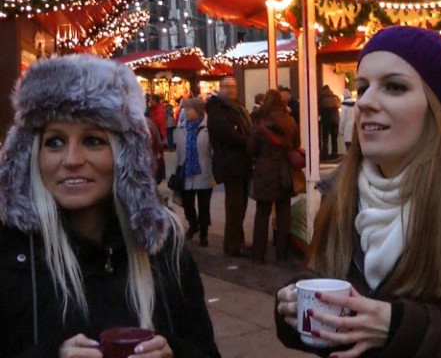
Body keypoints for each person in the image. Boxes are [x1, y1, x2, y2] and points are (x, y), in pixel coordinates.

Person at [275, 26, 441, 357]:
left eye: (394, 87)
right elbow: (328, 281)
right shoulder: (340, 193)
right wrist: (294, 302)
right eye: (363, 88)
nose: (365, 102)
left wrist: (400, 328)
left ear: (437, 108)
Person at [0, 54, 221, 358]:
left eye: (93, 141)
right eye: (54, 142)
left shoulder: (162, 248)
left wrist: (177, 354)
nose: (72, 160)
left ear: (123, 156)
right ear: (31, 154)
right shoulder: (10, 251)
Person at [247, 89, 300, 263]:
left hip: (265, 171)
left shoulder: (262, 122)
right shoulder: (290, 120)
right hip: (284, 172)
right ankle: (282, 254)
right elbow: (296, 144)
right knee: (284, 213)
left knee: (262, 214)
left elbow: (251, 149)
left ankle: (258, 255)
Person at [206, 76, 252, 257]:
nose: (231, 90)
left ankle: (237, 241)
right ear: (220, 88)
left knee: (241, 205)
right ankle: (232, 244)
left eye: (233, 87)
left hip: (240, 163)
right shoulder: (218, 109)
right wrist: (249, 141)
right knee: (234, 206)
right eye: (227, 87)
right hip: (230, 163)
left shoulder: (235, 107)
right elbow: (227, 134)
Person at [175, 97, 214, 247]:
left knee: (204, 206)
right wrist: (178, 170)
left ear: (197, 110)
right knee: (187, 204)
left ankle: (203, 233)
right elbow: (179, 152)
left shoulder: (208, 128)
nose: (185, 111)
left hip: (203, 172)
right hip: (186, 172)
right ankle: (193, 224)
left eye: (188, 109)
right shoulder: (181, 128)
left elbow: (213, 151)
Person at [319, 85, 341, 160]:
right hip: (336, 119)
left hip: (326, 118)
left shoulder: (322, 97)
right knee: (334, 139)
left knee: (325, 139)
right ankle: (334, 155)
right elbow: (339, 105)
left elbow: (319, 108)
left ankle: (325, 157)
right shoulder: (335, 97)